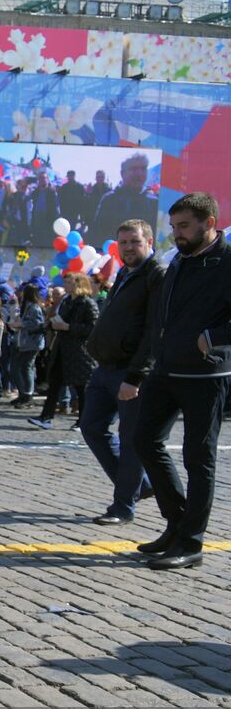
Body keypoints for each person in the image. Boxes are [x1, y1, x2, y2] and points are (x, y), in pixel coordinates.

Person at [132, 193, 231, 571]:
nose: (177, 234)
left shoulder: (227, 261)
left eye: (184, 226)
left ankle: (191, 542)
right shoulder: (178, 260)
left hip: (207, 374)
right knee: (143, 439)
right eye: (173, 227)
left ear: (209, 222)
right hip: (166, 369)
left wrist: (213, 336)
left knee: (198, 457)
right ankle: (176, 524)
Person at [80, 219, 164, 526]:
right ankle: (138, 486)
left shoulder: (156, 275)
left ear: (149, 243)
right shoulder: (126, 273)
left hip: (130, 372)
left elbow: (154, 332)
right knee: (91, 427)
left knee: (132, 440)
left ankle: (123, 506)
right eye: (123, 242)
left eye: (135, 242)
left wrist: (136, 376)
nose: (128, 248)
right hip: (104, 368)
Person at [27, 272, 98, 429]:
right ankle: (46, 417)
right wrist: (46, 326)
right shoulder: (67, 302)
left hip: (79, 352)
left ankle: (83, 421)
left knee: (81, 387)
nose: (65, 284)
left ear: (78, 284)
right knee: (55, 383)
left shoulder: (87, 303)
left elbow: (93, 327)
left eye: (68, 282)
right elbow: (57, 321)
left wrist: (69, 327)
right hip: (62, 348)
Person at [89, 153, 160, 248]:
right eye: (134, 169)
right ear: (122, 173)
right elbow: (97, 233)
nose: (139, 173)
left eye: (143, 169)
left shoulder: (153, 202)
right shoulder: (109, 199)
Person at [11, 283, 46, 408]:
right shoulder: (27, 306)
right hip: (25, 342)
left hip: (32, 342)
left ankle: (28, 395)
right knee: (19, 368)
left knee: (26, 368)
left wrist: (22, 324)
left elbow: (37, 324)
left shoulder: (34, 308)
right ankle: (23, 393)